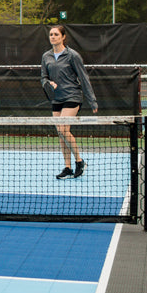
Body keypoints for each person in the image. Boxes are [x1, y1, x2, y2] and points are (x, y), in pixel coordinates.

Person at [41, 24, 98, 179]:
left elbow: (84, 78)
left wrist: (92, 101)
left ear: (63, 37)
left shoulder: (73, 55)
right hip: (56, 98)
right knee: (61, 133)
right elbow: (43, 77)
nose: (53, 37)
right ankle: (68, 167)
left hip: (72, 96)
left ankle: (79, 161)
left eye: (56, 34)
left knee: (63, 129)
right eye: (51, 34)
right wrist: (48, 83)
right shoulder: (46, 56)